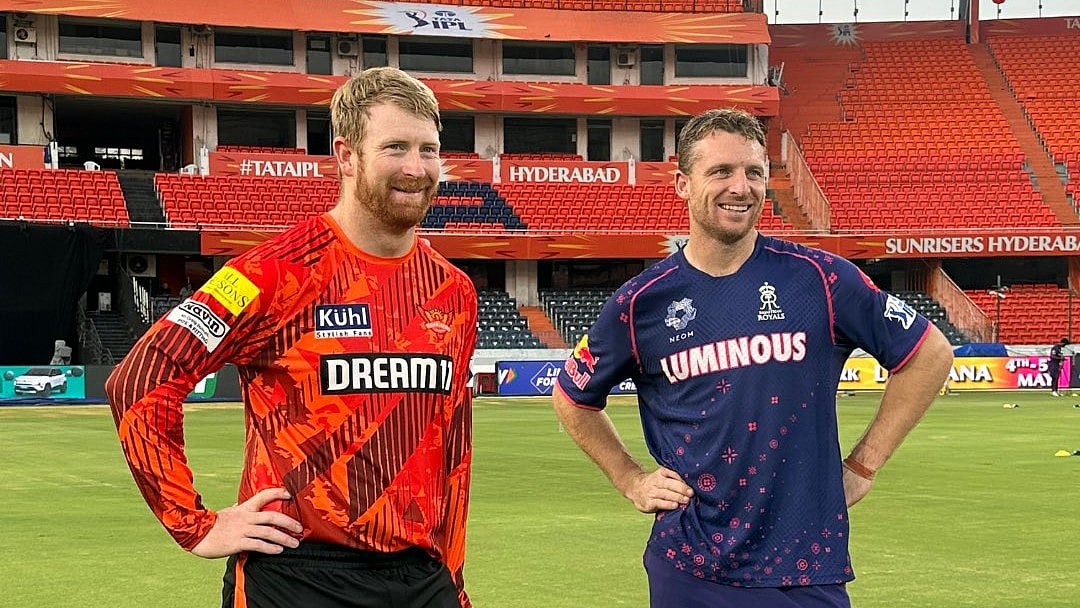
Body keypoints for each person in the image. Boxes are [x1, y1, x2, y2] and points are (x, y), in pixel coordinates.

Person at [552, 108, 954, 608]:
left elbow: (929, 353)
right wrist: (630, 479)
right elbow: (572, 396)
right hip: (690, 567)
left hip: (804, 566)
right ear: (682, 184)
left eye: (754, 172)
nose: (740, 187)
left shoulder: (821, 279)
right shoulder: (640, 303)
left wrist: (864, 464)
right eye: (721, 171)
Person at [106, 67, 478, 608]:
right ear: (346, 156)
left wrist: (453, 578)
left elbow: (454, 448)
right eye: (395, 147)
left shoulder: (453, 291)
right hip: (297, 574)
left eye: (429, 150)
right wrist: (193, 523)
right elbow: (141, 379)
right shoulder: (270, 273)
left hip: (421, 576)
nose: (416, 168)